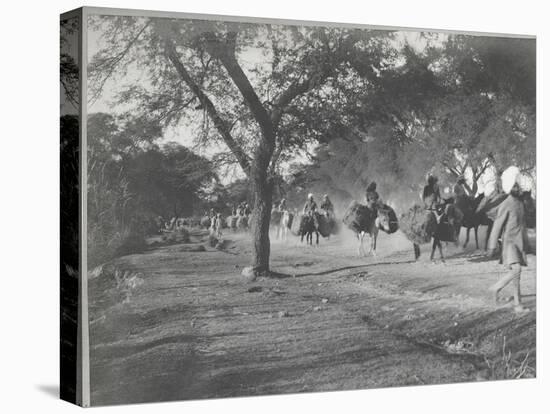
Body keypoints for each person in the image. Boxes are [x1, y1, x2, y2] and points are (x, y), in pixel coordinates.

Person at [487, 166, 530, 313]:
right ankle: (496, 287)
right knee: (516, 270)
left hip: (519, 243)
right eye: (517, 185)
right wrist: (492, 245)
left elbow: (523, 225)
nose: (520, 188)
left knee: (517, 274)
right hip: (510, 243)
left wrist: (527, 244)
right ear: (511, 187)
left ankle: (517, 303)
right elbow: (497, 226)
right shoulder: (506, 203)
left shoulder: (520, 203)